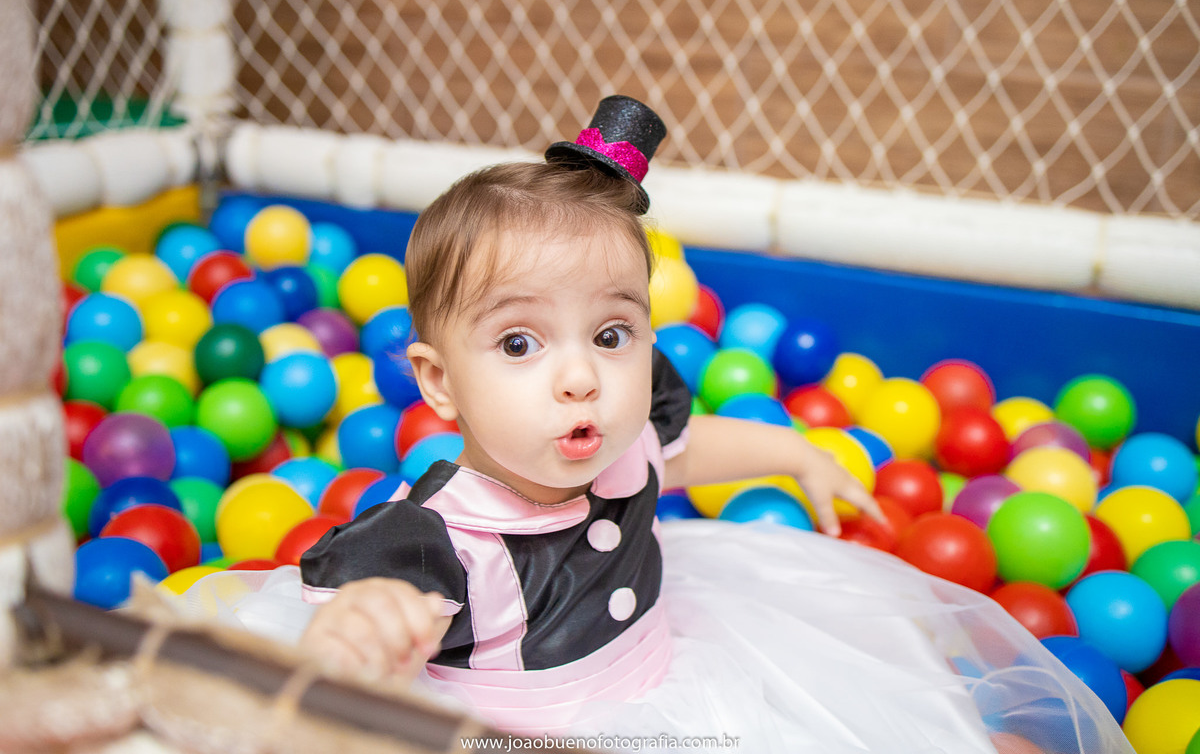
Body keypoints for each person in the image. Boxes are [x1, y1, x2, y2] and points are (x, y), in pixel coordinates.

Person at [205, 97, 1132, 753]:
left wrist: (799, 452)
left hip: (691, 679)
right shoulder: (433, 539)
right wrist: (362, 632)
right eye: (521, 343)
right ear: (439, 384)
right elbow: (365, 609)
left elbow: (689, 451)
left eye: (611, 334)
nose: (581, 377)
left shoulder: (618, 441)